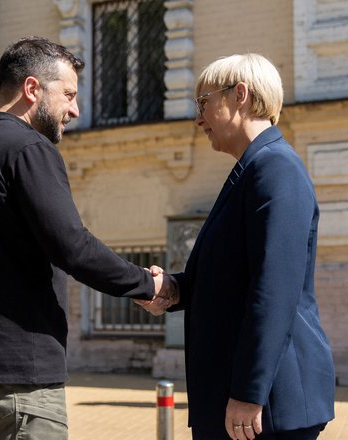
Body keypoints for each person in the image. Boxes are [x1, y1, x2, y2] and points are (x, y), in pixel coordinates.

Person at [0, 36, 168, 440]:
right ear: (31, 89)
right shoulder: (27, 149)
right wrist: (149, 285)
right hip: (17, 376)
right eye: (69, 94)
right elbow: (72, 245)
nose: (75, 110)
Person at [138, 54, 335, 440]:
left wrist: (249, 392)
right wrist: (174, 290)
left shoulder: (276, 168)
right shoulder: (253, 168)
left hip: (268, 407)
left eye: (204, 103)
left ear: (239, 95)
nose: (198, 119)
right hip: (246, 400)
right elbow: (231, 276)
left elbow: (274, 290)